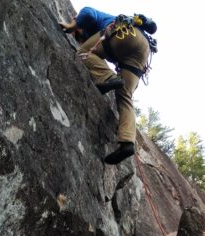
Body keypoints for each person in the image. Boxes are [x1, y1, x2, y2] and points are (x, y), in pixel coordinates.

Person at [59, 7, 156, 165]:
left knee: (83, 52)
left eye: (79, 34)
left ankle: (107, 77)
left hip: (123, 32)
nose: (80, 37)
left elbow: (87, 13)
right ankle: (127, 142)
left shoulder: (92, 17)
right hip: (142, 50)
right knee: (125, 97)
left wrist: (72, 26)